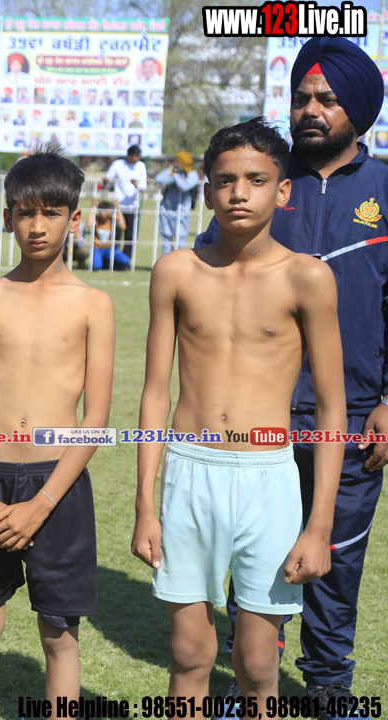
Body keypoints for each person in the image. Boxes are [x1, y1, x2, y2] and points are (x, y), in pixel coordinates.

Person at [196, 39, 388, 709]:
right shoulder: (266, 182)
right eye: (302, 97)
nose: (310, 109)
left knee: (335, 553)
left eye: (327, 99)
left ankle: (331, 686)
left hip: (352, 414)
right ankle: (250, 679)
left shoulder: (384, 190)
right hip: (261, 417)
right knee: (254, 552)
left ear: (357, 108)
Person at [134, 117, 345, 704]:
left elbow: (332, 408)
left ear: (283, 190)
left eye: (256, 179)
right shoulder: (176, 271)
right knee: (188, 652)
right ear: (207, 191)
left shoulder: (308, 277)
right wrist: (145, 502)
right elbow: (154, 392)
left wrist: (320, 525)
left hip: (268, 479)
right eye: (225, 180)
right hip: (189, 472)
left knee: (256, 663)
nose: (239, 193)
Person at [0, 144, 114, 715]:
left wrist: (41, 504)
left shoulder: (93, 304)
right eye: (25, 213)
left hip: (57, 486)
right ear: (7, 217)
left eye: (50, 213)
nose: (37, 226)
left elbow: (95, 419)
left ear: (75, 218)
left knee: (59, 634)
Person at [104, 144, 146, 259]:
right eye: (135, 156)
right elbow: (108, 178)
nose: (138, 158)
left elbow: (144, 186)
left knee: (130, 235)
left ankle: (126, 261)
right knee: (115, 234)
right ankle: (113, 259)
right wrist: (105, 180)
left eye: (139, 156)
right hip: (118, 207)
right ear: (129, 156)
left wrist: (137, 184)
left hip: (133, 207)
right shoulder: (118, 164)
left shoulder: (141, 166)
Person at [155, 151, 201, 255]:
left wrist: (174, 177)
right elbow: (159, 178)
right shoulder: (173, 170)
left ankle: (178, 263)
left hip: (181, 212)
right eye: (176, 161)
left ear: (185, 163)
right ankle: (166, 263)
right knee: (166, 239)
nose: (176, 163)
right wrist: (177, 177)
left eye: (179, 162)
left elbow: (184, 187)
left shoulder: (192, 174)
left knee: (180, 240)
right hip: (165, 210)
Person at [87, 199, 130, 270]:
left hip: (111, 249)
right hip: (98, 248)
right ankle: (103, 263)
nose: (103, 213)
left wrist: (118, 208)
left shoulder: (112, 219)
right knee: (96, 266)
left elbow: (123, 227)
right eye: (101, 211)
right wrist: (92, 207)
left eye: (105, 211)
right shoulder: (96, 219)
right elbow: (89, 224)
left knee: (125, 260)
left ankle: (111, 265)